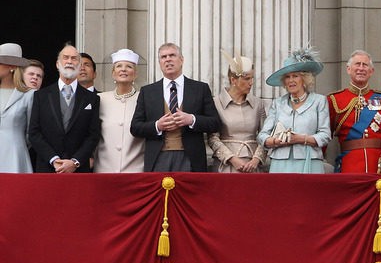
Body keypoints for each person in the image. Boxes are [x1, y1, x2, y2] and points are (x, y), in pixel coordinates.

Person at [130, 42, 222, 172]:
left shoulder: (200, 88)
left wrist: (191, 119)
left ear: (181, 60)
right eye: (163, 57)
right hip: (158, 157)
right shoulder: (148, 91)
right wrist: (157, 125)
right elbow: (135, 127)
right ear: (159, 63)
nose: (168, 59)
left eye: (172, 55)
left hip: (191, 157)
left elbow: (215, 123)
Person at [28, 43, 101, 173]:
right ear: (57, 64)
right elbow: (34, 133)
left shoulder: (92, 99)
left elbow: (93, 135)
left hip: (78, 170)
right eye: (65, 57)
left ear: (79, 65)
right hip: (48, 168)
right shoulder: (41, 96)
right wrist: (53, 159)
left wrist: (75, 161)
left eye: (74, 58)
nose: (69, 61)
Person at [258, 48, 331, 173]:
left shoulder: (319, 101)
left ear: (305, 79)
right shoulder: (277, 103)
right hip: (280, 163)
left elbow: (325, 135)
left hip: (309, 161)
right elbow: (262, 136)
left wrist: (301, 139)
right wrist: (276, 141)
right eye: (287, 77)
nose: (291, 80)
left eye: (295, 76)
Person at [327, 50, 381, 173]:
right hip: (348, 166)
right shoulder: (334, 100)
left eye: (365, 65)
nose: (361, 68)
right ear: (348, 69)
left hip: (378, 166)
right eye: (357, 64)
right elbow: (324, 136)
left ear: (371, 71)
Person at [208, 51, 268, 173]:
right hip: (225, 166)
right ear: (233, 80)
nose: (251, 83)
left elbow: (265, 135)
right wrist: (232, 159)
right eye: (246, 79)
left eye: (252, 78)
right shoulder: (215, 103)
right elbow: (212, 138)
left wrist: (256, 159)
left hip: (253, 167)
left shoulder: (259, 104)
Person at [94, 48, 145, 173]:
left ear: (135, 74)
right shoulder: (100, 99)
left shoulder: (144, 98)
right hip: (104, 170)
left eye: (129, 66)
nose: (123, 69)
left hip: (136, 170)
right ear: (113, 73)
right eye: (119, 66)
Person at [0, 43, 36, 172]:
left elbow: (31, 132)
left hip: (15, 155)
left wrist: (16, 143)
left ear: (12, 67)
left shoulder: (29, 95)